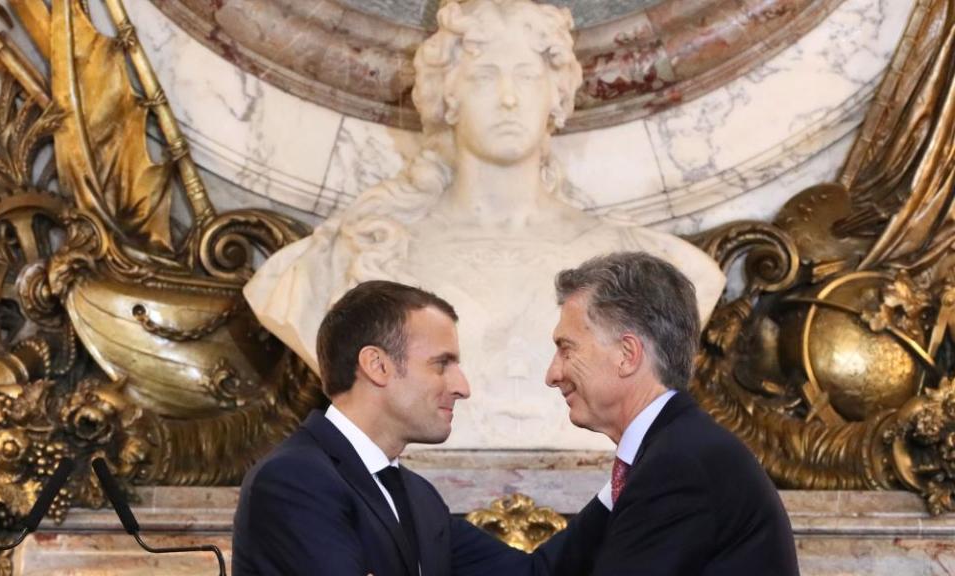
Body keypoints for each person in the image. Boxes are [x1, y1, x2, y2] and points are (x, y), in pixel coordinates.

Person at [243, 0, 725, 451]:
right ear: (446, 94)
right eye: (485, 76)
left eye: (527, 76)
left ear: (557, 96)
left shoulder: (662, 266)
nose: (509, 98)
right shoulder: (344, 257)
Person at [233, 280, 609, 575]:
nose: (462, 386)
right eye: (441, 364)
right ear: (377, 365)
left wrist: (623, 483)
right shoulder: (293, 480)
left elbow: (532, 572)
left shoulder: (417, 495)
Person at [545, 252, 799, 575]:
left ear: (627, 355)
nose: (552, 374)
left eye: (567, 349)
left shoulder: (677, 464)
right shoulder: (677, 447)